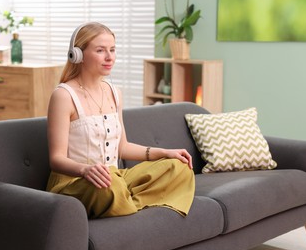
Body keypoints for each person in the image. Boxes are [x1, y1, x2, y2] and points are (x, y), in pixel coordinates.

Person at [46, 22, 195, 219]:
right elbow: (56, 160)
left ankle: (122, 203)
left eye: (112, 50)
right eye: (100, 50)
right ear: (78, 54)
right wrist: (86, 169)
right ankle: (125, 201)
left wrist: (164, 152)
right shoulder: (63, 95)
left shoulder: (114, 93)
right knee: (108, 186)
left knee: (178, 167)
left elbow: (122, 148)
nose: (110, 57)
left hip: (113, 177)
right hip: (78, 182)